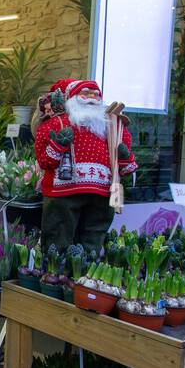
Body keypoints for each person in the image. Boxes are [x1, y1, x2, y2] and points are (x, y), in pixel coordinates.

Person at [34, 78, 138, 254]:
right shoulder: (56, 124)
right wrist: (58, 145)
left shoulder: (112, 126)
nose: (91, 97)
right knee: (58, 237)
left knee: (94, 238)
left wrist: (125, 157)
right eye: (85, 93)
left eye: (95, 94)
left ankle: (85, 272)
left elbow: (125, 164)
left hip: (102, 193)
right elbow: (44, 160)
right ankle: (55, 273)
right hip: (64, 193)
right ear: (72, 98)